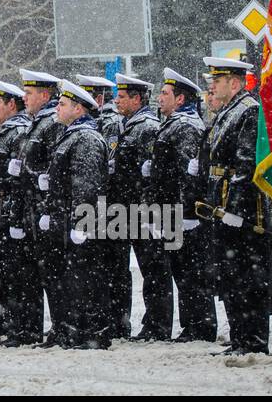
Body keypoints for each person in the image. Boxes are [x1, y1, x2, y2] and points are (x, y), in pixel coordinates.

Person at [198, 56, 269, 355]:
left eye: (218, 79)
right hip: (222, 204)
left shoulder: (248, 111)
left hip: (241, 210)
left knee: (247, 278)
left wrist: (235, 211)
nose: (212, 84)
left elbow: (245, 165)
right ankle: (240, 337)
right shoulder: (229, 111)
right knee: (230, 276)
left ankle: (253, 340)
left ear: (236, 83)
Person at [45, 80, 111, 350]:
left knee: (87, 278)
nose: (57, 109)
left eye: (62, 104)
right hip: (67, 219)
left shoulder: (85, 138)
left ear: (78, 109)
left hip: (83, 221)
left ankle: (94, 332)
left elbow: (86, 185)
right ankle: (77, 331)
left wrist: (81, 222)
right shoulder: (72, 135)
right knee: (73, 279)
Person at [154, 69, 215, 342]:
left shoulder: (187, 126)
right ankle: (192, 325)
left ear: (180, 99)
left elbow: (190, 173)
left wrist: (188, 211)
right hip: (171, 210)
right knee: (183, 273)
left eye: (165, 94)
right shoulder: (173, 123)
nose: (159, 98)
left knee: (193, 274)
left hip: (184, 214)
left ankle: (200, 326)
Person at [110, 73, 171, 342]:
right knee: (124, 271)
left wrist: (150, 212)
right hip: (125, 207)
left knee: (154, 271)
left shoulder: (146, 126)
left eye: (122, 97)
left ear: (136, 99)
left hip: (143, 209)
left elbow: (151, 174)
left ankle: (157, 326)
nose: (117, 101)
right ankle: (124, 323)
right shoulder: (127, 125)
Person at [0, 79, 36, 345]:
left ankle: (24, 329)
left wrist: (15, 215)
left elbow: (19, 181)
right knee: (8, 275)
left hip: (13, 211)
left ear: (11, 105)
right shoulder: (3, 132)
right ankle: (15, 326)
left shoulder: (17, 132)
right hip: (2, 211)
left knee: (21, 276)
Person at [17, 69, 61, 342]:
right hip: (30, 208)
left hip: (43, 208)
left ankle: (59, 325)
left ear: (45, 96)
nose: (24, 97)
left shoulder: (51, 123)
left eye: (29, 93)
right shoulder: (35, 123)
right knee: (34, 274)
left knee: (52, 274)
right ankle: (33, 328)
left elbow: (52, 170)